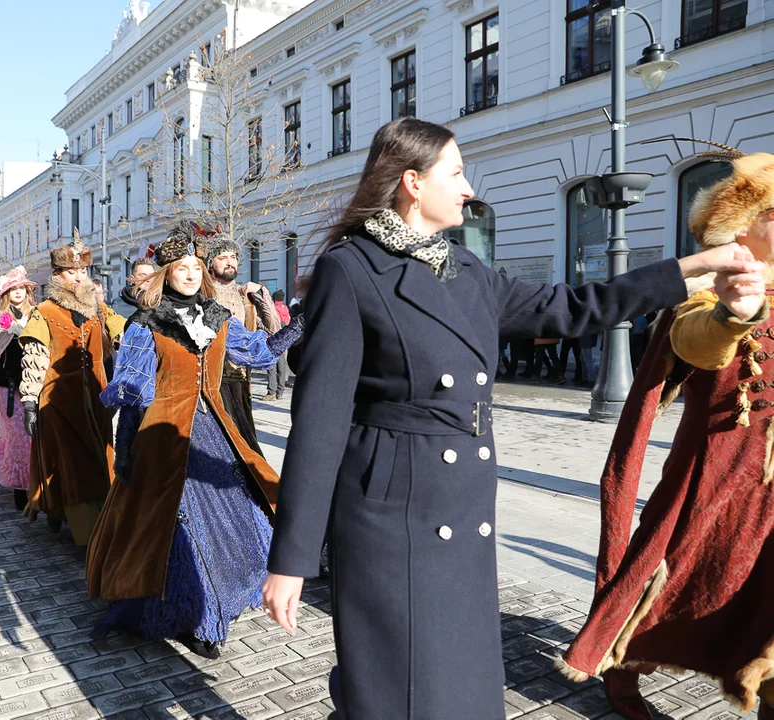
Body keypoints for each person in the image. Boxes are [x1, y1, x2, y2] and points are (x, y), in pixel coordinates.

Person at [259, 118, 762, 720]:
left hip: (463, 505)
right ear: (412, 182)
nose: (468, 187)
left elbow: (575, 307)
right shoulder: (354, 269)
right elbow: (319, 421)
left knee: (458, 689)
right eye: (456, 173)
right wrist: (290, 559)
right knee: (398, 692)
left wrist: (689, 269)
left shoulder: (465, 268)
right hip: (391, 516)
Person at [561, 150, 774, 720]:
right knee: (666, 577)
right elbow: (695, 342)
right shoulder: (707, 291)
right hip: (711, 478)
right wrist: (737, 313)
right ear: (742, 227)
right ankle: (623, 667)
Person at [87, 229, 303, 660]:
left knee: (240, 516)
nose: (189, 275)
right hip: (164, 437)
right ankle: (194, 619)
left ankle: (217, 604)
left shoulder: (218, 317)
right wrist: (127, 448)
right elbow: (133, 393)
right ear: (165, 275)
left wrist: (301, 324)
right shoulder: (145, 324)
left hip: (213, 431)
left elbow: (258, 353)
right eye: (180, 269)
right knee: (180, 529)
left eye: (195, 268)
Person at [18, 233, 114, 543]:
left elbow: (129, 333)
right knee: (72, 463)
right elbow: (35, 357)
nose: (77, 276)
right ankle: (90, 534)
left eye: (83, 271)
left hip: (98, 400)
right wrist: (30, 401)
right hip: (60, 402)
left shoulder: (99, 308)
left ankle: (84, 515)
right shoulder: (44, 311)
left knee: (100, 461)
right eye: (70, 271)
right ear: (57, 274)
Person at [204, 232, 281, 454]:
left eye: (233, 257)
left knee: (245, 447)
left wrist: (263, 296)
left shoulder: (244, 295)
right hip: (213, 383)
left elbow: (273, 330)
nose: (230, 262)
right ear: (211, 262)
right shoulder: (204, 292)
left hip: (241, 381)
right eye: (222, 257)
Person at [0, 267, 36, 510]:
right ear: (6, 294)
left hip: (35, 384)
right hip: (8, 386)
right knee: (17, 438)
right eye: (13, 289)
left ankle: (38, 483)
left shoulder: (38, 314)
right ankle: (20, 488)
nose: (18, 293)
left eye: (21, 288)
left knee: (35, 437)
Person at [263, 289, 292, 401]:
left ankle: (271, 392)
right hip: (283, 342)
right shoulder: (286, 309)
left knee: (271, 367)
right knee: (281, 367)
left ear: (274, 298)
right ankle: (280, 392)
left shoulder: (272, 310)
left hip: (273, 341)